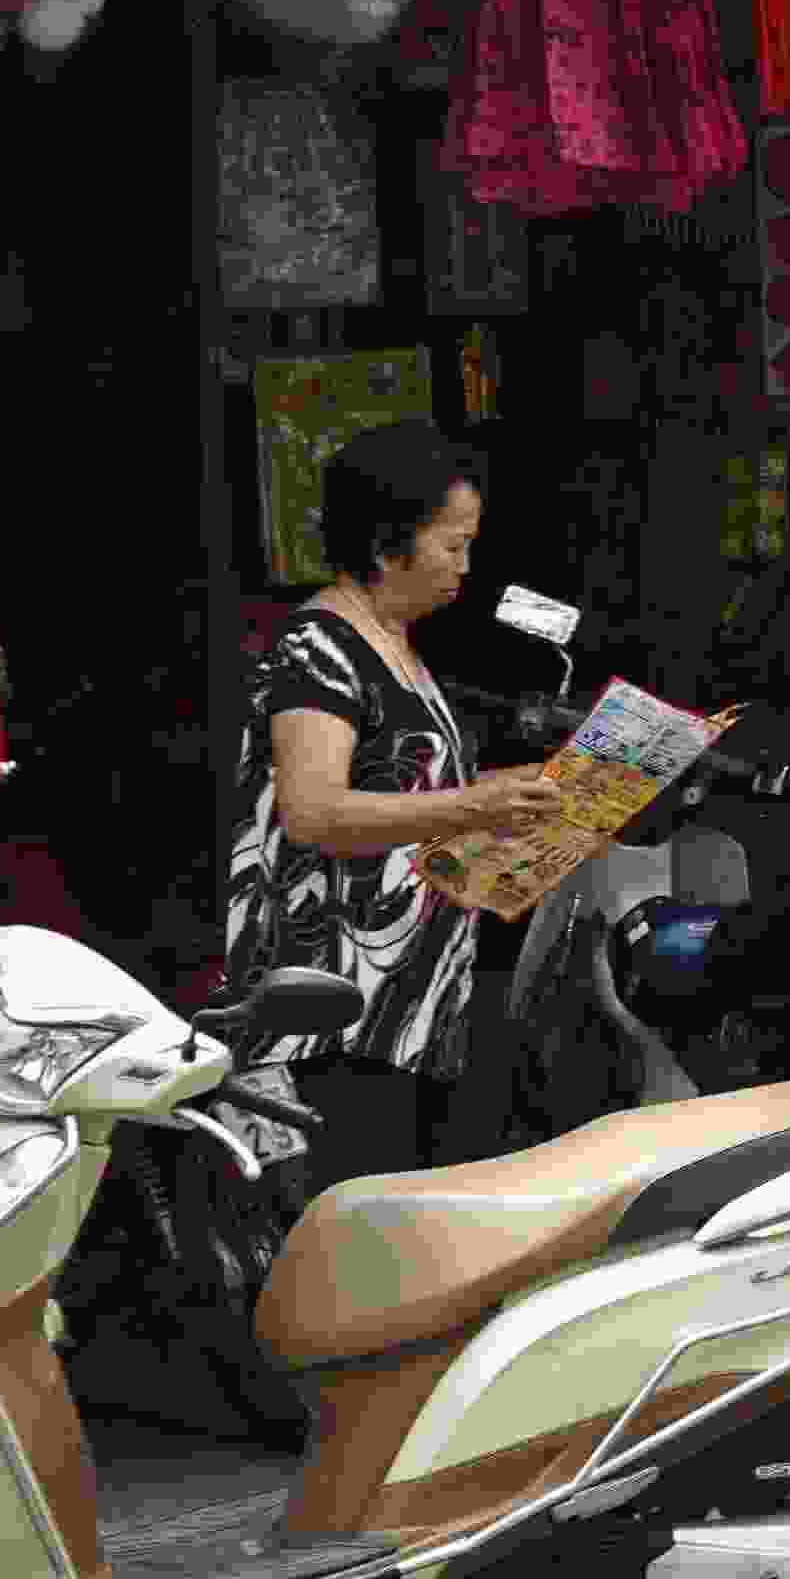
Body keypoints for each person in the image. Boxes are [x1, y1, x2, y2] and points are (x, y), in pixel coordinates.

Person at [223, 423, 558, 1196]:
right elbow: (312, 811)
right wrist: (476, 801)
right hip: (339, 1010)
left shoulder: (394, 646)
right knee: (360, 1219)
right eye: (453, 545)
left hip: (406, 1008)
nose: (465, 567)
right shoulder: (319, 648)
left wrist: (510, 811)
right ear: (385, 545)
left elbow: (410, 804)